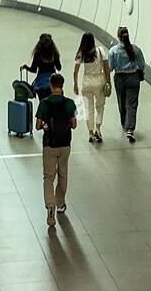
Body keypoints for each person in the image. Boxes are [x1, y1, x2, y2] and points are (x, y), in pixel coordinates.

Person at [35, 73, 77, 229]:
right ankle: (60, 203)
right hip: (65, 144)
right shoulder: (69, 103)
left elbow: (38, 126)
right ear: (62, 85)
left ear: (51, 86)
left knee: (48, 177)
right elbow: (74, 124)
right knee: (63, 174)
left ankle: (50, 206)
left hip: (49, 145)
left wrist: (46, 124)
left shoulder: (45, 104)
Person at [107, 26, 146, 143]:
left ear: (118, 36)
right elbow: (142, 64)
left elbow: (110, 67)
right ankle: (130, 129)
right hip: (133, 77)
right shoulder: (136, 49)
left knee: (121, 101)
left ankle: (125, 124)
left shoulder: (113, 51)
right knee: (132, 104)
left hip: (119, 78)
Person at [72, 32, 111, 144]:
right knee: (100, 106)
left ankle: (90, 133)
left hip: (87, 82)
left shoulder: (81, 53)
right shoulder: (100, 50)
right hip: (99, 80)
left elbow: (75, 71)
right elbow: (106, 67)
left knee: (88, 109)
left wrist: (75, 84)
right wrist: (108, 81)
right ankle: (98, 129)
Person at [23, 33, 61, 104]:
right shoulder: (54, 53)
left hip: (41, 84)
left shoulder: (37, 54)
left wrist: (25, 67)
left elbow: (33, 70)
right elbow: (59, 68)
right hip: (53, 83)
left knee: (43, 105)